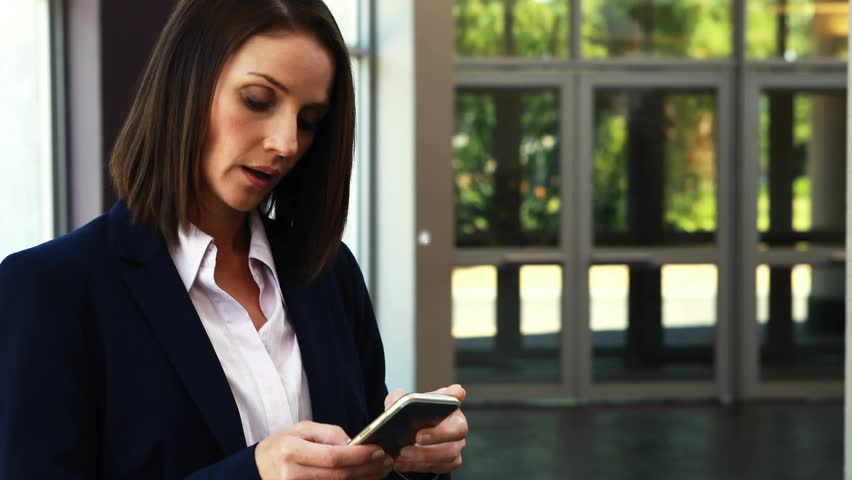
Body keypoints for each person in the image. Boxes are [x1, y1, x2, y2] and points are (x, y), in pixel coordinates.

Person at [0, 1, 467, 478]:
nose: (287, 143)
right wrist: (254, 471)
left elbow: (363, 464)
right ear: (186, 84)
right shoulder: (51, 288)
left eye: (308, 121)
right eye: (258, 100)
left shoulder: (328, 272)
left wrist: (415, 462)